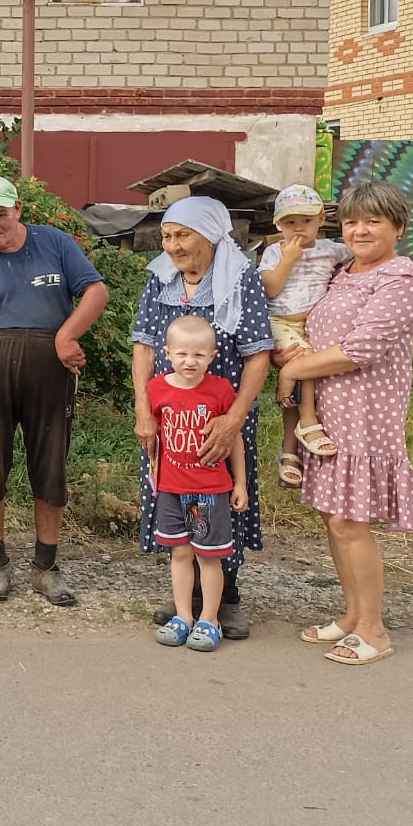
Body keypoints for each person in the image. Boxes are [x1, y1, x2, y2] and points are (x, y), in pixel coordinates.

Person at [277, 181, 413, 665]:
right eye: (351, 221)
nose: (359, 230)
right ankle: (351, 616)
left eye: (373, 221)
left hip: (366, 416)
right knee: (333, 517)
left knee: (348, 520)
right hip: (326, 414)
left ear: (398, 228)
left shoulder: (400, 280)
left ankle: (374, 629)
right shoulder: (344, 270)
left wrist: (295, 368)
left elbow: (362, 349)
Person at [0, 175, 109, 606]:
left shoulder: (53, 242)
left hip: (50, 372)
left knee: (50, 467)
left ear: (18, 209)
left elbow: (96, 291)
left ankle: (45, 567)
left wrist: (65, 336)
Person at [132, 195, 272, 640]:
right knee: (173, 498)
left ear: (210, 235)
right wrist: (143, 409)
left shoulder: (240, 279)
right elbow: (143, 346)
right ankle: (185, 601)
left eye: (182, 235)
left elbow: (257, 355)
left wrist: (234, 418)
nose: (172, 246)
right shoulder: (160, 280)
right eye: (167, 236)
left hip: (220, 416)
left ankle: (225, 599)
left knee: (218, 501)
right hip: (169, 419)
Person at [148, 316, 249, 652]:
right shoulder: (157, 388)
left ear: (213, 355)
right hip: (171, 491)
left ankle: (209, 618)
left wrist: (241, 484)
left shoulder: (220, 391)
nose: (189, 362)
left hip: (204, 492)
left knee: (207, 556)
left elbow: (234, 440)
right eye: (182, 354)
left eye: (198, 355)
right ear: (167, 353)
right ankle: (183, 617)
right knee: (178, 552)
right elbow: (152, 438)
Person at [258, 183, 350, 488]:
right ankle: (308, 423)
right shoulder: (275, 251)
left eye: (306, 221)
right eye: (290, 222)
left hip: (311, 325)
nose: (298, 228)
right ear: (277, 225)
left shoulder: (332, 250)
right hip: (280, 322)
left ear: (322, 219)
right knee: (305, 363)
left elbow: (358, 254)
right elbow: (270, 287)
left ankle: (289, 453)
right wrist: (289, 259)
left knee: (300, 380)